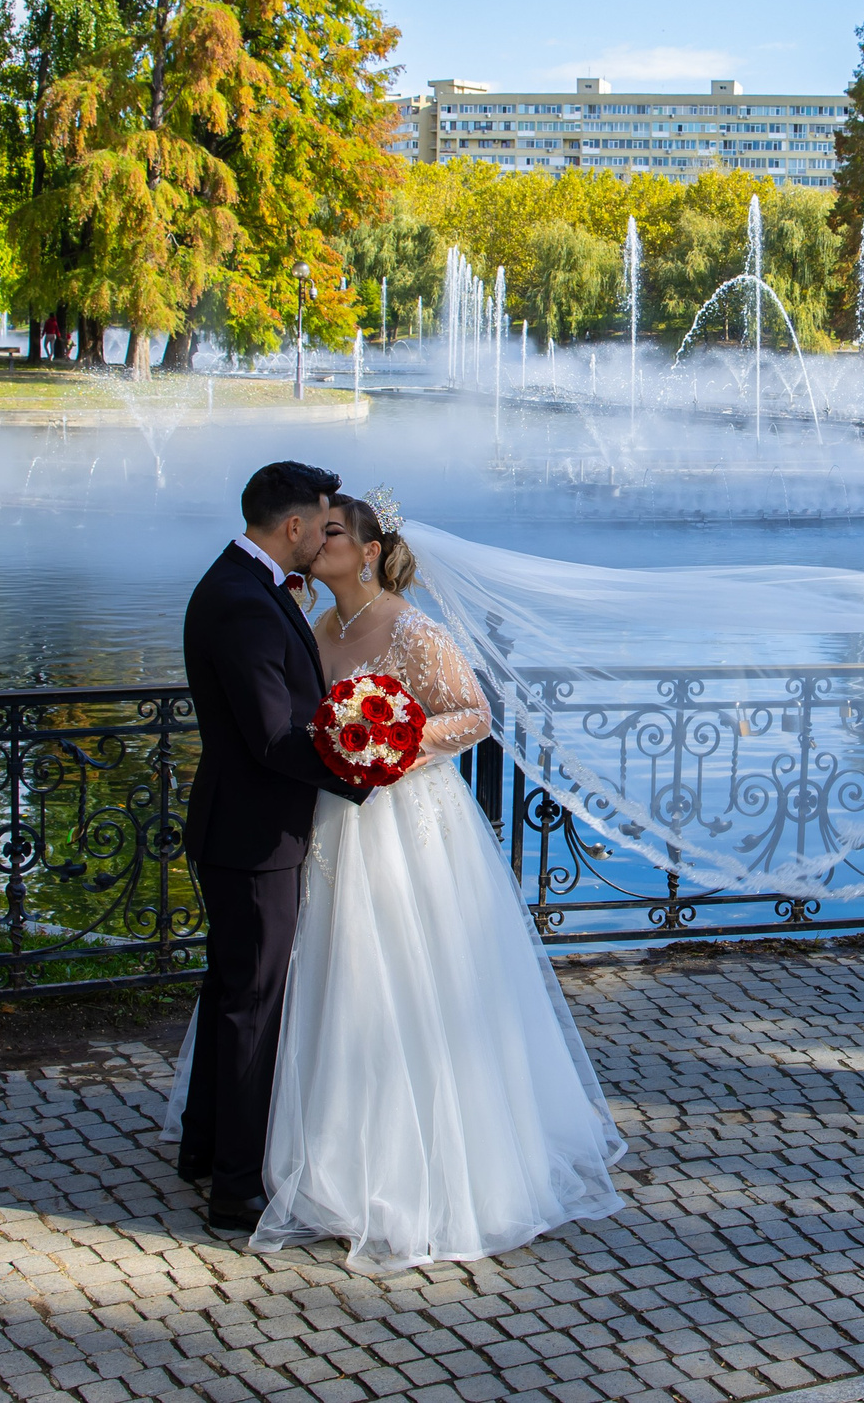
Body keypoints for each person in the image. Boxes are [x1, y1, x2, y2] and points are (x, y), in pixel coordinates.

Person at [241, 487, 626, 1273]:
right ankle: (327, 1155)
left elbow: (473, 714)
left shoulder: (413, 630)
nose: (321, 543)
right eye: (319, 533)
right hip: (333, 821)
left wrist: (394, 747)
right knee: (337, 976)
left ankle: (426, 1167)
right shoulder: (319, 628)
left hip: (407, 821)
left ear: (371, 551)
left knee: (411, 979)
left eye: (337, 533)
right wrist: (349, 752)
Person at [175, 461, 369, 1233]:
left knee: (229, 991)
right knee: (251, 1006)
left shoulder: (242, 585)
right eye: (322, 525)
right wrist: (362, 771)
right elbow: (270, 736)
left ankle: (205, 1146)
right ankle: (235, 1188)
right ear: (292, 527)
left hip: (242, 826)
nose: (326, 537)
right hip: (255, 833)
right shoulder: (245, 603)